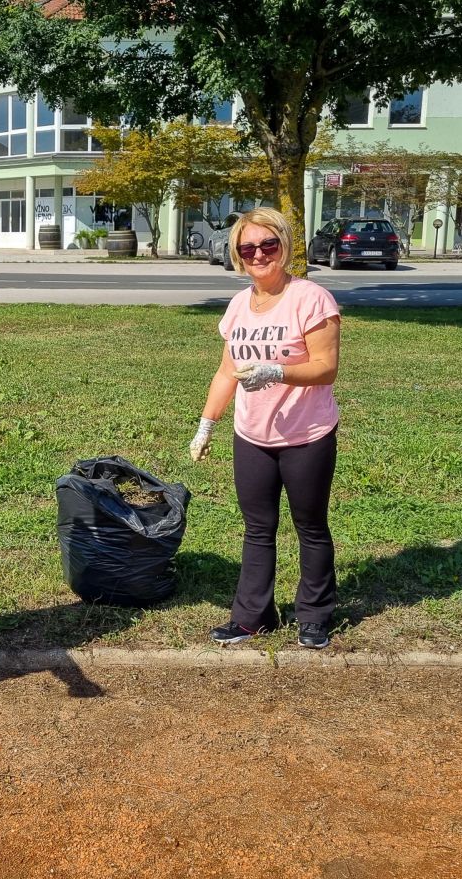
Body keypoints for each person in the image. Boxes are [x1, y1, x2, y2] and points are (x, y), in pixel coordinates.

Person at [189, 207, 342, 650]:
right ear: (237, 255)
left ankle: (314, 615)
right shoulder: (239, 305)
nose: (258, 254)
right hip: (252, 435)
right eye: (247, 248)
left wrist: (277, 371)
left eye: (267, 245)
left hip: (306, 434)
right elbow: (227, 371)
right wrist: (206, 425)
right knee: (257, 528)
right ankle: (252, 617)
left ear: (284, 246)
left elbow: (326, 367)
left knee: (310, 525)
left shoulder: (311, 299)